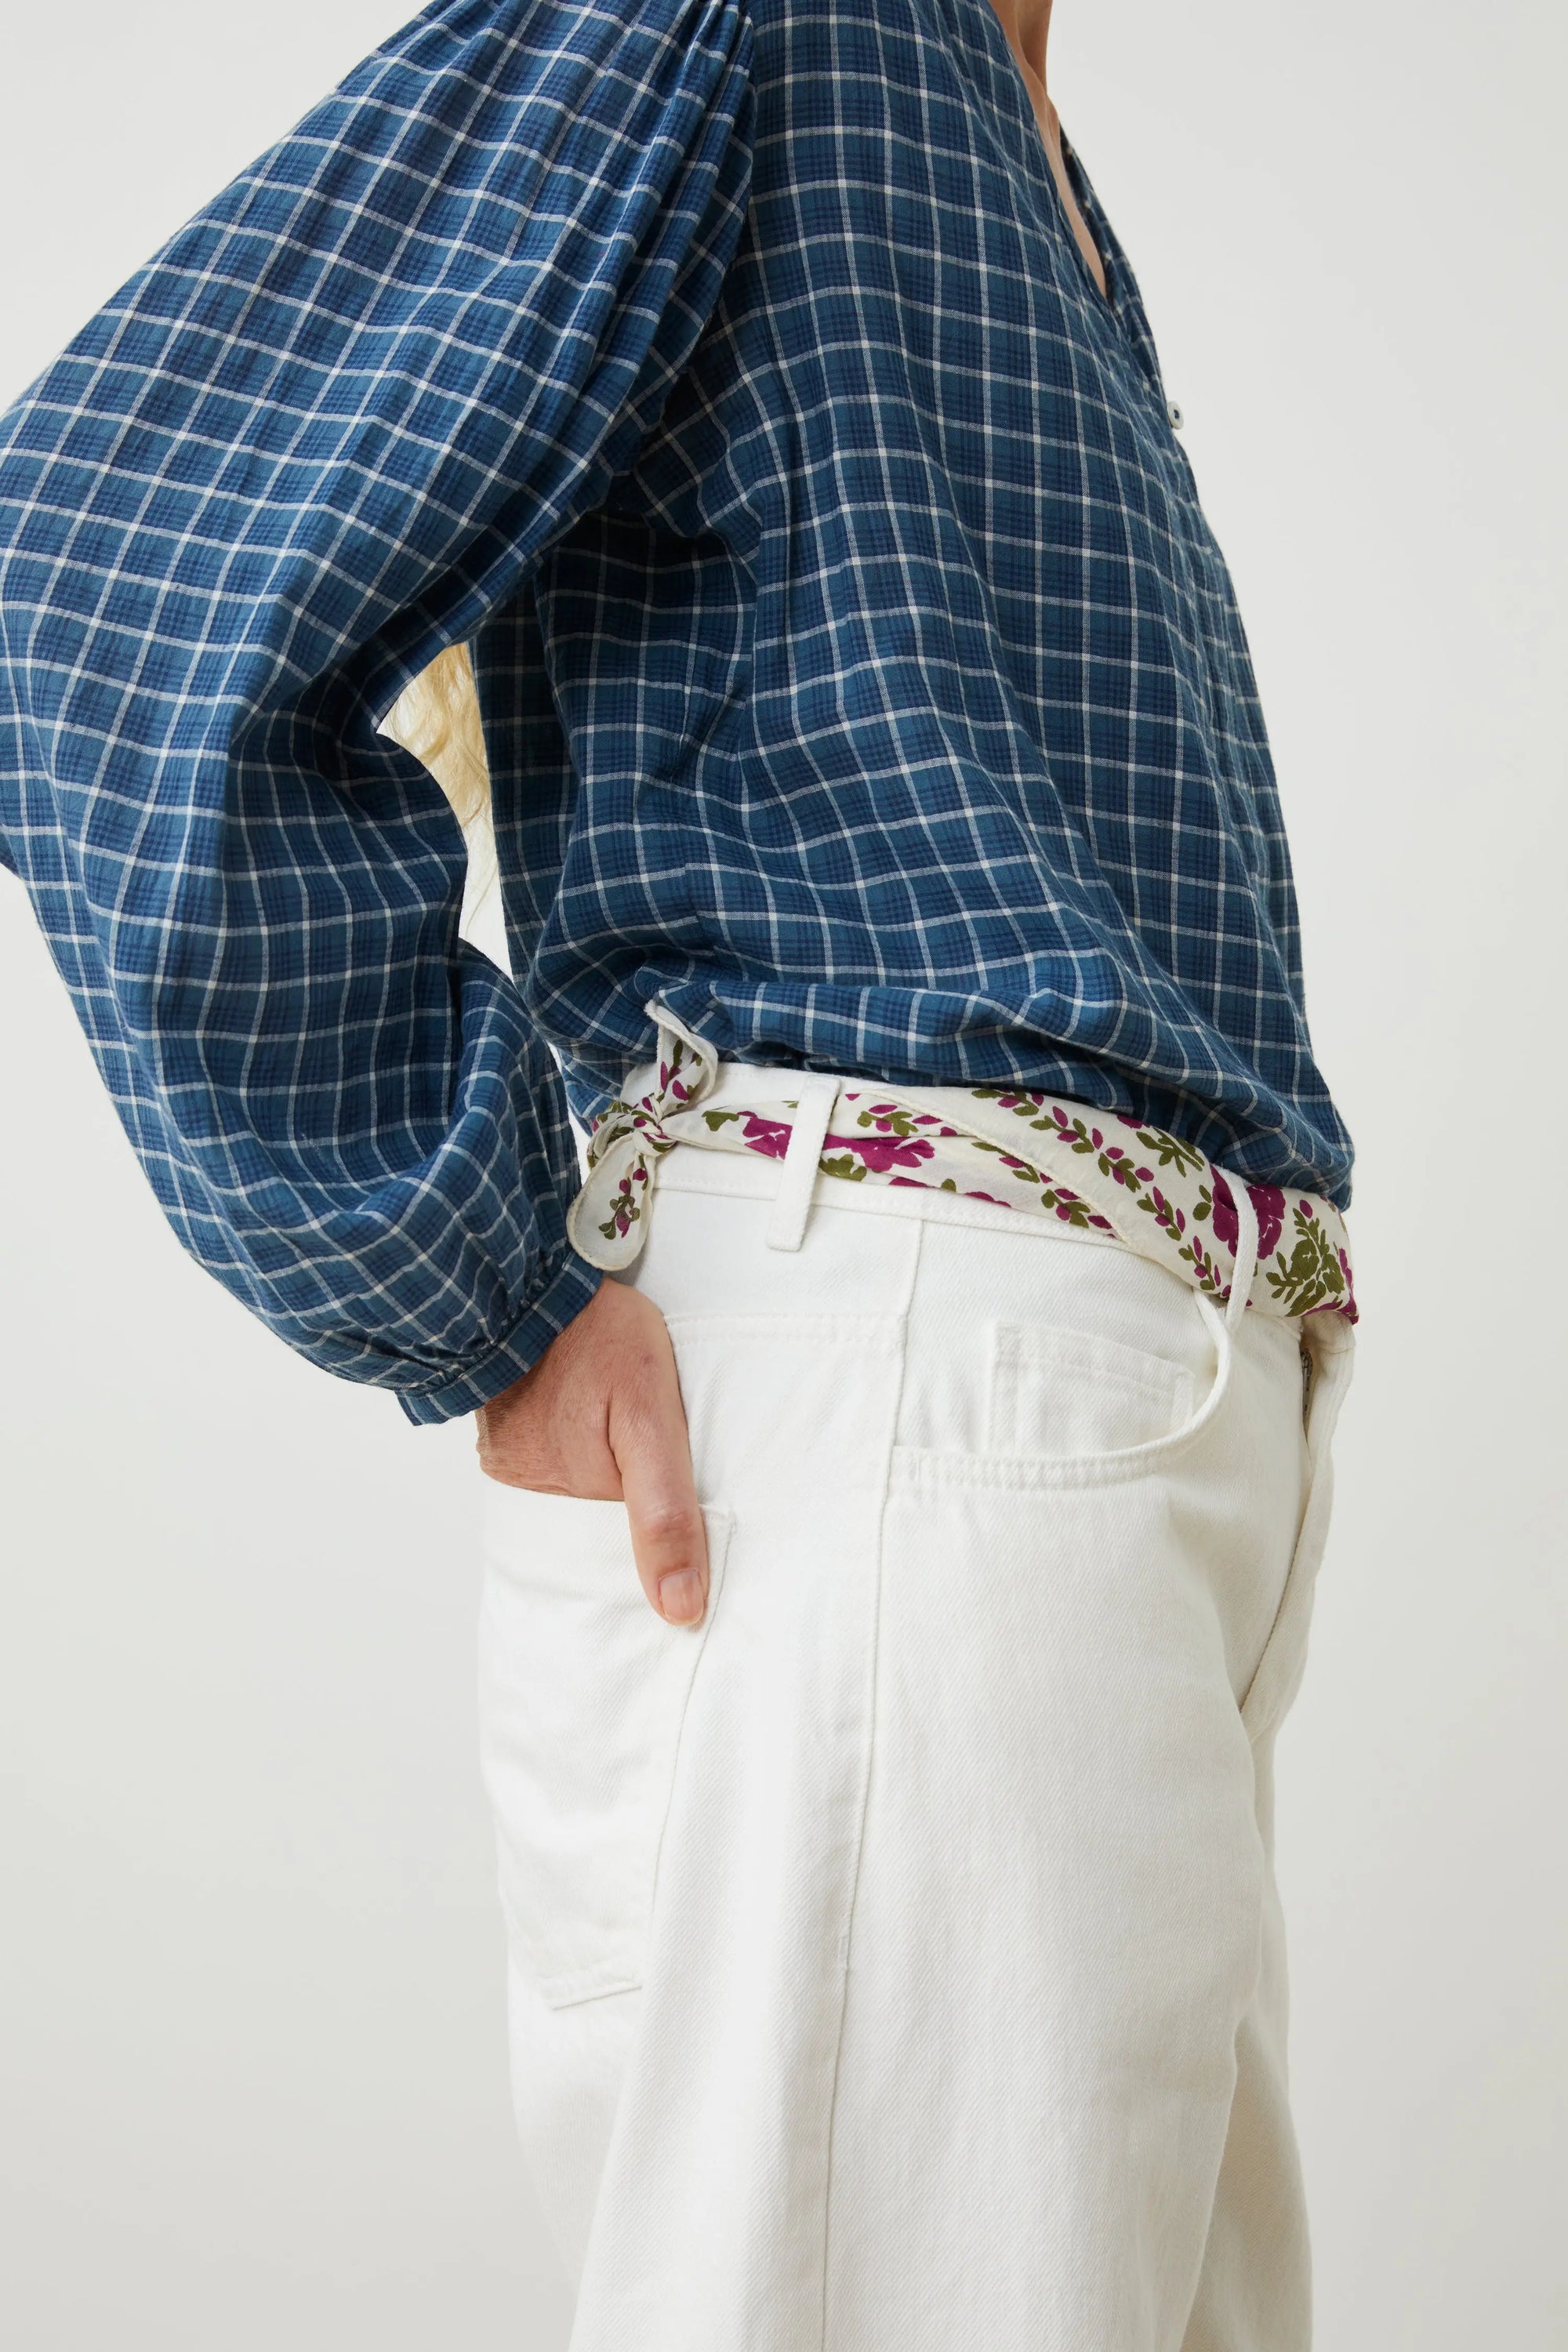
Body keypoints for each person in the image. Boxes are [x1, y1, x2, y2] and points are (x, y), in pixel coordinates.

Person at [0, 0, 1356, 2343]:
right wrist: (483, 1288)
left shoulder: (1012, 134)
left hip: (1111, 1452)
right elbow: (96, 585)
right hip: (917, 1409)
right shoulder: (758, 21)